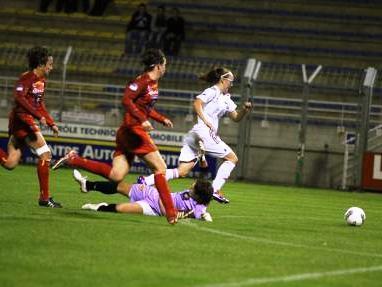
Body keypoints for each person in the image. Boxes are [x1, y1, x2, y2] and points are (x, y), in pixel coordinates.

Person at [52, 48, 177, 224]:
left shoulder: (153, 84)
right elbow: (126, 100)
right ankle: (171, 213)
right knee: (161, 168)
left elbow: (146, 108)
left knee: (116, 176)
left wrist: (161, 118)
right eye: (164, 64)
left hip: (129, 131)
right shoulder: (141, 81)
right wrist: (142, 120)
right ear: (157, 65)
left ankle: (74, 159)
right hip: (133, 131)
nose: (166, 67)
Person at [139, 67, 253, 204]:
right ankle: (215, 190)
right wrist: (205, 120)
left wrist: (245, 110)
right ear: (223, 79)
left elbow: (236, 117)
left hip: (196, 135)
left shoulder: (226, 98)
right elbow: (197, 103)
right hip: (204, 132)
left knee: (182, 171)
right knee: (232, 159)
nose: (232, 84)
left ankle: (146, 180)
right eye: (231, 80)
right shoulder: (212, 91)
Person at [0, 46, 61, 208]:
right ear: (41, 64)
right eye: (49, 64)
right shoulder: (26, 78)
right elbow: (19, 98)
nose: (51, 67)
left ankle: (44, 198)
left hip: (26, 121)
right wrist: (37, 116)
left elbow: (39, 103)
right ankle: (44, 199)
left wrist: (50, 122)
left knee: (10, 163)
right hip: (22, 121)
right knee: (45, 155)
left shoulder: (41, 82)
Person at [73, 169, 213, 221]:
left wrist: (205, 216)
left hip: (154, 208)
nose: (191, 186)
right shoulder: (199, 196)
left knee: (122, 209)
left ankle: (98, 207)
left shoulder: (197, 208)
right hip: (155, 193)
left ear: (199, 195)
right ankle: (87, 185)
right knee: (120, 186)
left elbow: (168, 213)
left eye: (193, 187)